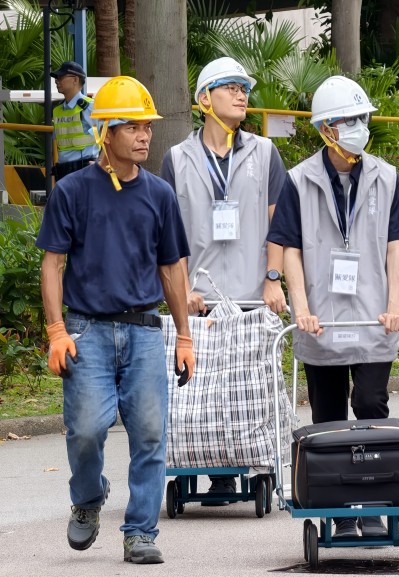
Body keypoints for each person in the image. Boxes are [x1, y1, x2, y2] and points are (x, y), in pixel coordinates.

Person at [36, 76, 194, 564]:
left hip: (144, 329)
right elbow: (52, 263)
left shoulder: (160, 194)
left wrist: (184, 335)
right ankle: (87, 500)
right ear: (106, 132)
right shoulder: (73, 192)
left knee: (149, 433)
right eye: (132, 127)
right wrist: (57, 330)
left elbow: (172, 268)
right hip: (88, 331)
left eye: (146, 126)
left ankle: (140, 532)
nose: (144, 135)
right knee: (85, 431)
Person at [267, 75, 399, 538]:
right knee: (328, 417)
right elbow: (289, 247)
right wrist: (301, 308)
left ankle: (373, 499)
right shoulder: (298, 181)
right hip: (322, 321)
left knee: (371, 402)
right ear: (326, 129)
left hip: (374, 316)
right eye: (348, 120)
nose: (358, 127)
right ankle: (339, 507)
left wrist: (394, 305)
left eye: (362, 118)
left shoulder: (386, 177)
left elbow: (396, 246)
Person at [160, 56, 288, 506]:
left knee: (248, 397)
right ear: (203, 100)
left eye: (244, 88)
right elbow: (168, 236)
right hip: (199, 299)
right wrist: (181, 292)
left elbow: (279, 225)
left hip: (252, 297)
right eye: (230, 86)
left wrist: (274, 279)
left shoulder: (265, 153)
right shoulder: (177, 158)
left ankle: (247, 464)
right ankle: (210, 469)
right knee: (200, 401)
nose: (241, 94)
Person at [50, 61, 99, 181]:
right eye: (56, 78)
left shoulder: (89, 106)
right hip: (63, 172)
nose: (57, 81)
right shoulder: (58, 110)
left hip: (84, 171)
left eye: (61, 77)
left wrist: (101, 163)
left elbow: (110, 133)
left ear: (75, 80)